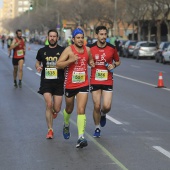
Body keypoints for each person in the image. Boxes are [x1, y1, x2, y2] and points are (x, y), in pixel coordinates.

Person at [56, 28, 95, 148]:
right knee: (69, 108)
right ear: (73, 39)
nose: (80, 39)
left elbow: (90, 61)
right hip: (70, 84)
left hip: (83, 83)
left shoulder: (87, 50)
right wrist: (71, 60)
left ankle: (81, 137)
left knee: (81, 109)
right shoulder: (69, 50)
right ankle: (66, 123)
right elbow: (58, 65)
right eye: (77, 38)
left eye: (81, 37)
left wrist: (92, 63)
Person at [89, 26, 121, 138]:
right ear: (96, 35)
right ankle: (97, 128)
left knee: (106, 106)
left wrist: (114, 65)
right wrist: (90, 63)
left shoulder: (112, 48)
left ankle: (103, 114)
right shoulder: (90, 48)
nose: (103, 36)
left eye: (105, 34)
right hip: (95, 80)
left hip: (107, 80)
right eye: (101, 34)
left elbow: (118, 61)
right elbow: (86, 59)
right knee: (96, 105)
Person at [35, 29, 65, 139]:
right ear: (48, 37)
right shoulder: (42, 51)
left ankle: (54, 111)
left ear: (57, 38)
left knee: (56, 108)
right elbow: (37, 61)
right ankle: (50, 130)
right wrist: (38, 66)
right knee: (48, 104)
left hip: (58, 82)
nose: (52, 38)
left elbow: (67, 62)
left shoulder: (62, 50)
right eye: (50, 36)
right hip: (46, 82)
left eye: (54, 36)